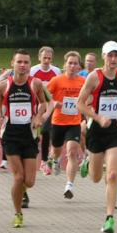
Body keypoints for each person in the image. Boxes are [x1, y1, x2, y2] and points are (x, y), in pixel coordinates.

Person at [0, 50, 48, 228]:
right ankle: (18, 213)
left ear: (30, 65)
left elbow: (43, 103)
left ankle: (21, 192)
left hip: (29, 135)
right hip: (10, 136)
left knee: (29, 181)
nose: (23, 65)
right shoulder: (3, 86)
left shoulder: (35, 84)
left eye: (26, 62)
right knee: (18, 177)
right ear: (12, 64)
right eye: (19, 62)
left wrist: (38, 116)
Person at [78, 40, 117, 233]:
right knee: (96, 177)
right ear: (104, 56)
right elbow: (80, 104)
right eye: (110, 55)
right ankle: (89, 160)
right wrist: (98, 117)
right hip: (97, 130)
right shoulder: (94, 77)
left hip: (114, 130)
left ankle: (109, 219)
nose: (113, 59)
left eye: (116, 55)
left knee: (113, 174)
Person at [46, 51, 86, 199]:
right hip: (58, 121)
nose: (72, 66)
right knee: (56, 150)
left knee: (72, 152)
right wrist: (54, 103)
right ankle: (55, 160)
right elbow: (45, 96)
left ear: (79, 66)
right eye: (70, 63)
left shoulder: (83, 81)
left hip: (74, 122)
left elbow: (89, 97)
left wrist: (84, 104)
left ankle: (69, 185)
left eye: (75, 63)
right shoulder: (56, 80)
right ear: (65, 64)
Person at [30, 46, 61, 175]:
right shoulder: (33, 70)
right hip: (37, 106)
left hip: (51, 105)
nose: (47, 60)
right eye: (44, 58)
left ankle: (49, 159)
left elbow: (59, 88)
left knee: (49, 132)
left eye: (49, 58)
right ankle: (42, 159)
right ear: (39, 57)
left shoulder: (56, 71)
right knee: (39, 133)